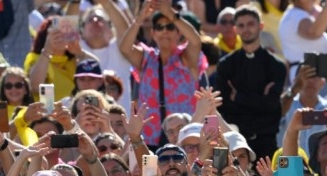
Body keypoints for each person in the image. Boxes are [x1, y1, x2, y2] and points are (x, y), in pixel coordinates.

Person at [119, 0, 203, 148]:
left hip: (185, 138)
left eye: (170, 27)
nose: (164, 31)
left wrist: (171, 13)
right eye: (159, 27)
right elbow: (125, 49)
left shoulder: (186, 58)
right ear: (153, 33)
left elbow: (196, 41)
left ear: (178, 33)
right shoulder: (146, 58)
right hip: (150, 138)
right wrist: (139, 19)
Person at [215, 6, 286, 161]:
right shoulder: (226, 65)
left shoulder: (276, 66)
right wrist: (260, 100)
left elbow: (272, 105)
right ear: (235, 29)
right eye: (241, 25)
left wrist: (238, 97)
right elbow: (224, 107)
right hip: (235, 143)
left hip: (266, 142)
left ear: (261, 26)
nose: (246, 29)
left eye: (250, 24)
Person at [277, 0, 327, 84]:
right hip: (307, 73)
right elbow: (314, 33)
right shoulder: (296, 15)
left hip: (314, 72)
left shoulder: (296, 14)